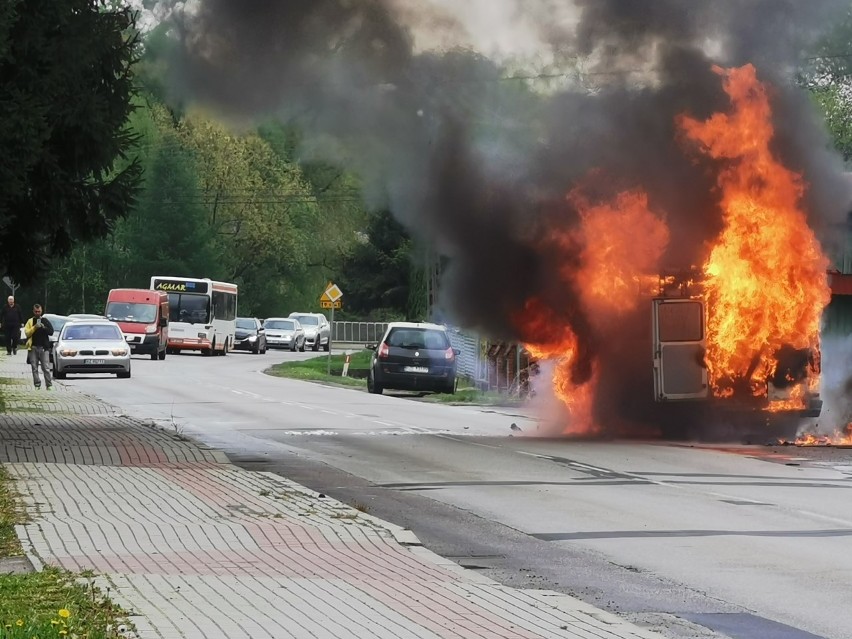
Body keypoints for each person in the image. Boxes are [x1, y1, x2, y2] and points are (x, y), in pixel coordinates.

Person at [24, 304, 53, 389]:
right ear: (33, 311)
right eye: (36, 311)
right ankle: (37, 384)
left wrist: (44, 327)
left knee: (46, 367)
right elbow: (27, 333)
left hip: (44, 348)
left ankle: (49, 385)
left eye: (39, 311)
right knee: (34, 367)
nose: (37, 313)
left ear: (41, 311)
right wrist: (35, 327)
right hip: (33, 347)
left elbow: (51, 331)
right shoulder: (30, 321)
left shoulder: (45, 320)